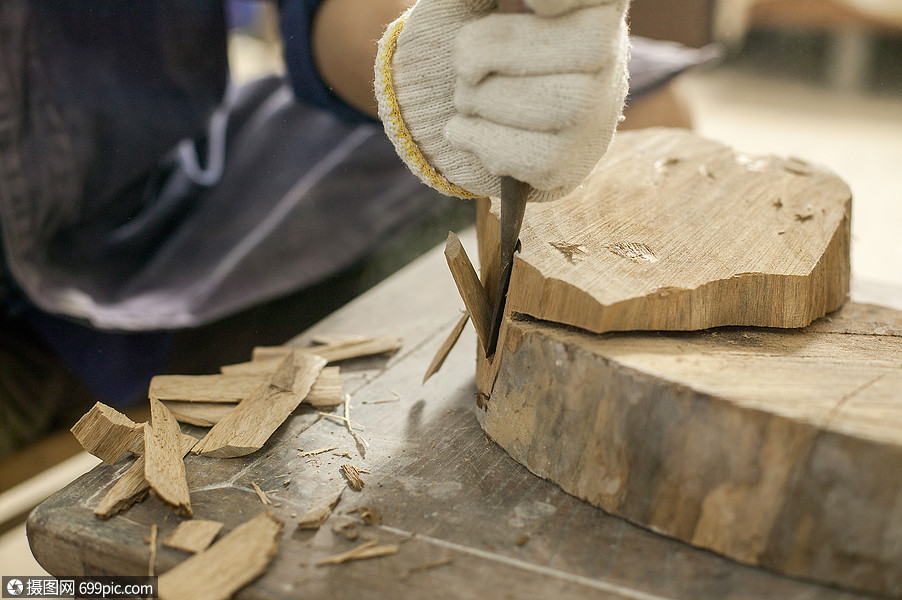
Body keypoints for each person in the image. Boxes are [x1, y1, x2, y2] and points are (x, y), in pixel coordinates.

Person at [0, 0, 716, 457]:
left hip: (156, 204)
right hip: (16, 331)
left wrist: (421, 59)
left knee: (654, 114)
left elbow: (311, 14)